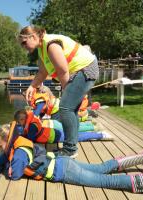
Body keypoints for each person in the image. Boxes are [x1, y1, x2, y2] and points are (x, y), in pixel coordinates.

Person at [0, 123, 143, 200]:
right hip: (63, 162)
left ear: (7, 141)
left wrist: (2, 169)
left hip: (63, 172)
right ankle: (141, 157)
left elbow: (15, 175)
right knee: (100, 168)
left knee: (106, 181)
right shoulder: (18, 143)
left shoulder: (18, 155)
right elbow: (5, 154)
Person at [18, 25, 100, 157]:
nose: (23, 46)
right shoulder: (42, 49)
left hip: (86, 69)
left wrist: (66, 91)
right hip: (78, 72)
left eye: (24, 42)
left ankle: (70, 149)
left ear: (33, 37)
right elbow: (43, 72)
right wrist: (32, 86)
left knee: (66, 108)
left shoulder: (51, 45)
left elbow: (63, 71)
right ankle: (71, 146)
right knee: (70, 109)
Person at [13, 109, 112, 144]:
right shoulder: (30, 123)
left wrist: (17, 137)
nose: (20, 123)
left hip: (56, 136)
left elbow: (30, 139)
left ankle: (100, 135)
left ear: (23, 119)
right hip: (54, 132)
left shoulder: (31, 127)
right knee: (76, 134)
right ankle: (96, 133)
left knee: (77, 137)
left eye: (20, 121)